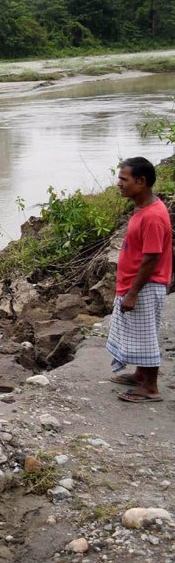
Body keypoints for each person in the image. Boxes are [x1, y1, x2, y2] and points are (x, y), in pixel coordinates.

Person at [108, 156, 172, 403]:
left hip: (145, 285)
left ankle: (151, 389)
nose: (119, 183)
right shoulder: (143, 208)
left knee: (145, 338)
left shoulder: (153, 216)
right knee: (137, 333)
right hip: (135, 283)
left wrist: (133, 293)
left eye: (124, 179)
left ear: (141, 181)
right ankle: (140, 375)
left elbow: (152, 258)